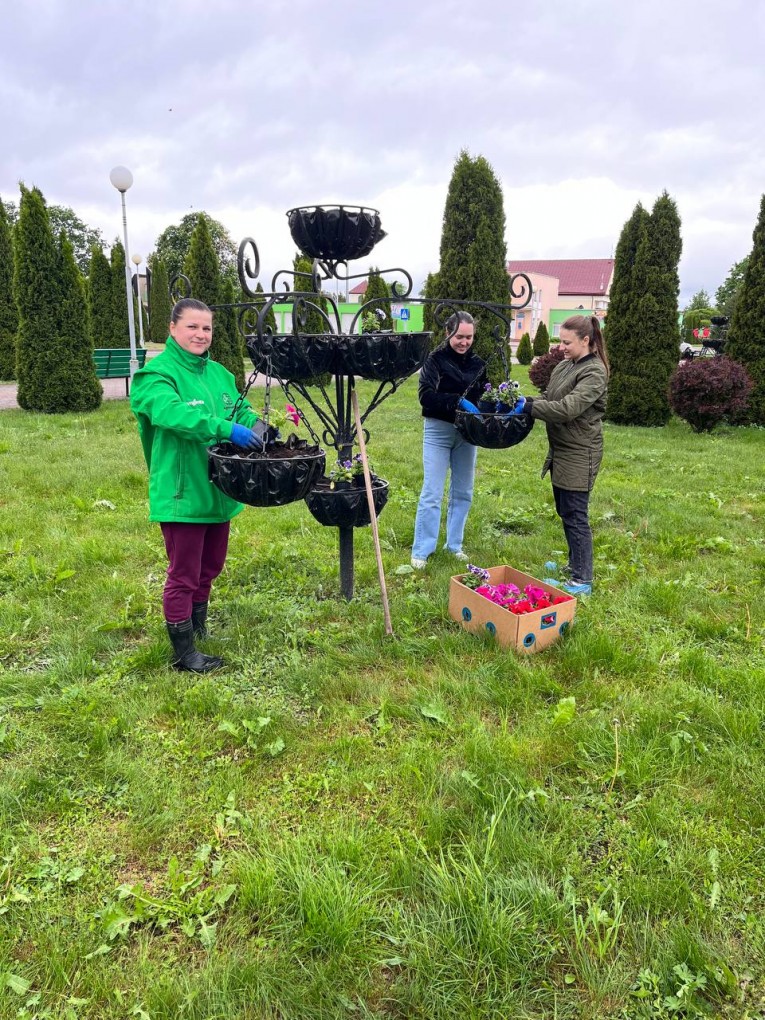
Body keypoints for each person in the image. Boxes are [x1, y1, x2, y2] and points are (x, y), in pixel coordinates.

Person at [131, 298, 266, 673]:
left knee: (211, 566)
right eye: (192, 326)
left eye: (206, 328)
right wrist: (225, 429)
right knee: (184, 572)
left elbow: (237, 406)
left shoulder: (219, 373)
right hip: (182, 490)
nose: (200, 334)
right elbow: (173, 413)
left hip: (219, 489)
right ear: (172, 329)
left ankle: (198, 625)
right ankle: (184, 653)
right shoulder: (155, 376)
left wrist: (254, 423)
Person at [510, 314, 609, 596]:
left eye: (567, 342)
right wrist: (527, 402)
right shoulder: (566, 366)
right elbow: (551, 398)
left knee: (576, 513)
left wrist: (529, 409)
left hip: (581, 451)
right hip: (561, 449)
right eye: (561, 340)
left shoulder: (594, 372)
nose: (561, 346)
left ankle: (582, 580)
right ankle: (574, 564)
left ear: (585, 340)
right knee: (564, 510)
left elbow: (567, 408)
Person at [411, 311, 487, 568]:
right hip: (438, 430)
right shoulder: (435, 360)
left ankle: (454, 545)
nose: (464, 342)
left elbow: (482, 396)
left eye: (469, 337)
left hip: (467, 433)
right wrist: (456, 401)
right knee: (432, 492)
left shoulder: (478, 363)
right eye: (459, 337)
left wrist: (494, 405)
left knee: (463, 491)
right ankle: (422, 550)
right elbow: (426, 397)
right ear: (448, 333)